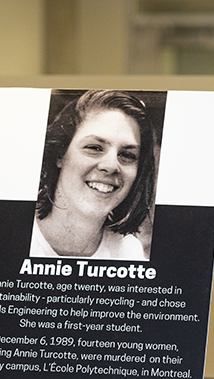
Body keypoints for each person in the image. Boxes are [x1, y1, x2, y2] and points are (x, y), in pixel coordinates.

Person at [31, 90, 160, 260]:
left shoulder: (129, 253)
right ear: (59, 154)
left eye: (127, 155)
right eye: (94, 148)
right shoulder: (11, 235)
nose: (111, 166)